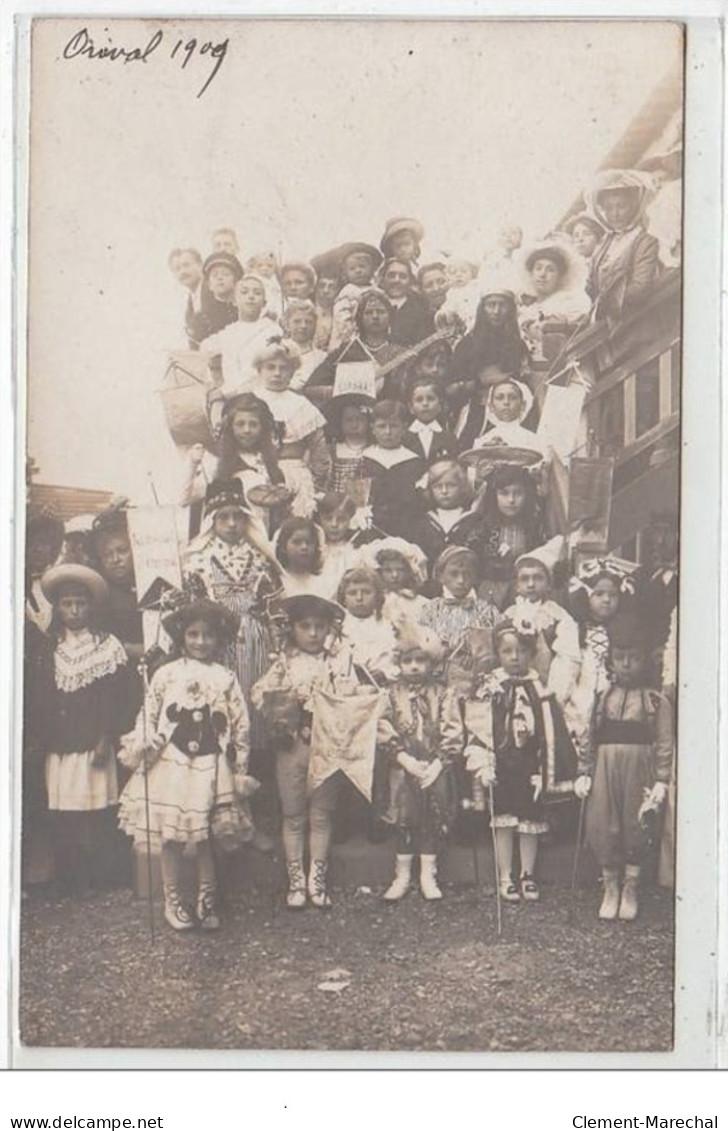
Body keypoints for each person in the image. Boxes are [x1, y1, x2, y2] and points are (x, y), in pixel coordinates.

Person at [118, 597, 251, 931]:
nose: (201, 642)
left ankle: (207, 899)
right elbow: (148, 712)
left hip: (211, 764)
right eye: (193, 634)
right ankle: (173, 901)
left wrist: (240, 769)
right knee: (172, 836)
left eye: (208, 635)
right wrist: (144, 738)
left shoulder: (225, 677)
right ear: (182, 637)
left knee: (206, 833)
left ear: (218, 640)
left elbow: (240, 724)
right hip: (173, 764)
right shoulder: (166, 674)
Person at [29, 564, 133, 894]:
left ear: (91, 606)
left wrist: (106, 738)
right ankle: (73, 878)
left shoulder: (106, 646)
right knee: (66, 812)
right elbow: (41, 699)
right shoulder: (49, 649)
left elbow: (117, 699)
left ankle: (102, 876)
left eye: (81, 603)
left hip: (94, 742)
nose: (74, 610)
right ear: (58, 608)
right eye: (67, 603)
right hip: (61, 745)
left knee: (96, 811)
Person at [251, 594, 356, 909]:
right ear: (293, 629)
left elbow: (350, 696)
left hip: (326, 745)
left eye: (319, 626)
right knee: (293, 814)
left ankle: (316, 878)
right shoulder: (284, 663)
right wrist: (285, 699)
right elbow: (259, 694)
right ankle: (295, 878)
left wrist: (331, 697)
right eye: (304, 626)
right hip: (293, 745)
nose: (312, 633)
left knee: (321, 813)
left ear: (328, 630)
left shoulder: (337, 663)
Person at [464, 620, 574, 903]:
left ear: (531, 653)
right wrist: (483, 765)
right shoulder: (490, 688)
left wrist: (544, 769)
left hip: (529, 766)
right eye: (507, 651)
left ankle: (527, 874)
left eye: (522, 651)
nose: (515, 658)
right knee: (503, 820)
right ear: (498, 654)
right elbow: (479, 729)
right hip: (502, 765)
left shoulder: (539, 690)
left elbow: (551, 732)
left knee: (529, 819)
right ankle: (505, 876)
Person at [574, 613, 673, 921]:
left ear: (644, 661)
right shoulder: (603, 697)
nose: (627, 664)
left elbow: (664, 741)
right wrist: (584, 771)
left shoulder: (655, 701)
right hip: (605, 766)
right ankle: (611, 886)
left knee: (635, 821)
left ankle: (630, 886)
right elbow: (589, 736)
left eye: (634, 658)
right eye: (620, 658)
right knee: (604, 820)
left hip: (639, 765)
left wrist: (661, 779)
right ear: (611, 662)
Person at [182, 479, 281, 744]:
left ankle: (259, 760)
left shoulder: (260, 556)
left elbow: (272, 604)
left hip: (258, 641)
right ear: (211, 521)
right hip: (219, 641)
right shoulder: (197, 560)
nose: (231, 523)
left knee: (257, 700)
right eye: (223, 517)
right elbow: (195, 607)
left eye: (237, 516)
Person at [377, 621, 463, 902]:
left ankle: (428, 873)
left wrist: (438, 763)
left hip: (434, 767)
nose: (414, 666)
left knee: (430, 820)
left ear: (432, 663)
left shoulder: (443, 693)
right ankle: (401, 875)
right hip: (402, 769)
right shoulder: (390, 693)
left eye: (420, 660)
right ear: (399, 663)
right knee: (405, 819)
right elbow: (382, 726)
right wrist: (403, 758)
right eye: (408, 660)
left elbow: (452, 730)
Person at [184, 392, 291, 537]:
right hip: (230, 540)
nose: (246, 430)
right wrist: (192, 463)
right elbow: (186, 499)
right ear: (230, 427)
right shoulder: (216, 461)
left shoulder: (270, 463)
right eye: (240, 424)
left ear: (263, 428)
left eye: (253, 424)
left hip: (264, 539)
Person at [564, 556, 638, 752]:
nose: (606, 600)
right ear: (585, 596)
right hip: (581, 697)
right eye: (599, 594)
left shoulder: (623, 630)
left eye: (612, 595)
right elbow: (567, 672)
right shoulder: (575, 630)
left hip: (613, 698)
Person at [252, 338, 330, 516]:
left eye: (284, 368)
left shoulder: (301, 405)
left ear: (293, 370)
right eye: (270, 367)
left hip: (294, 472)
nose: (277, 373)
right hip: (257, 472)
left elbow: (319, 449)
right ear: (259, 370)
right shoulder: (250, 401)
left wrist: (315, 481)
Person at [502, 537, 580, 708]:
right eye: (524, 579)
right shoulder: (509, 615)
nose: (531, 584)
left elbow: (568, 661)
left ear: (549, 583)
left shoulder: (559, 617)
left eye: (538, 578)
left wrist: (551, 700)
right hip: (512, 692)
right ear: (516, 585)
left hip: (545, 693)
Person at [585, 169, 661, 321]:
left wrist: (605, 304)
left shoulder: (645, 242)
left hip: (635, 321)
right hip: (606, 324)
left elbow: (640, 289)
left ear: (634, 207)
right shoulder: (604, 245)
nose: (615, 214)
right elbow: (591, 285)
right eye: (609, 208)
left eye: (621, 206)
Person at [310, 289, 406, 401]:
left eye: (380, 311)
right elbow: (310, 387)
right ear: (360, 318)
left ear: (390, 316)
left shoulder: (401, 351)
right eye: (369, 312)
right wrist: (335, 391)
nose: (375, 316)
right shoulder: (346, 352)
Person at [205, 275, 279, 417]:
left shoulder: (272, 330)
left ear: (264, 302)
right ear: (234, 300)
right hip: (229, 399)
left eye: (257, 293)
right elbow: (204, 351)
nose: (251, 297)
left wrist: (226, 391)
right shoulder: (228, 332)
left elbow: (261, 372)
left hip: (260, 397)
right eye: (244, 292)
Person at [474, 465, 546, 610]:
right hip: (489, 590)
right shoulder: (484, 527)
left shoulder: (533, 528)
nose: (511, 500)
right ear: (494, 496)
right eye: (504, 493)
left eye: (518, 493)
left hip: (525, 590)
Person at [361, 400, 426, 537]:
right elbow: (357, 499)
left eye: (394, 426)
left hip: (406, 528)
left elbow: (420, 502)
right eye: (381, 426)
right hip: (372, 527)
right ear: (372, 428)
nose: (388, 432)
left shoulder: (414, 461)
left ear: (404, 428)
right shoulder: (364, 459)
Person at [418, 546, 501, 654]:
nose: (461, 580)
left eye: (467, 574)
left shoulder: (487, 611)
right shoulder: (430, 610)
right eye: (454, 574)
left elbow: (498, 645)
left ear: (476, 578)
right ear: (440, 576)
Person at [448, 288, 529, 396]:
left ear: (510, 309)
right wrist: (480, 381)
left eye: (502, 305)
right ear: (483, 309)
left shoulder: (518, 345)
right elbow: (450, 390)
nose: (496, 311)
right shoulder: (467, 344)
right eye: (491, 305)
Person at [518, 240, 590, 361]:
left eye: (550, 270)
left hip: (564, 368)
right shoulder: (528, 309)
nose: (542, 274)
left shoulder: (570, 301)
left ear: (560, 276)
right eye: (538, 268)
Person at [90, 507, 144, 667]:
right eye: (107, 554)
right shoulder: (98, 592)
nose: (115, 559)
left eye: (122, 551)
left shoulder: (146, 583)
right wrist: (132, 649)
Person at [412, 459, 487, 568]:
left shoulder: (473, 519)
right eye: (438, 486)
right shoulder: (425, 522)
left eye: (451, 485)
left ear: (462, 487)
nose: (444, 491)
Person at [455, 372, 542, 455]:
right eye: (500, 398)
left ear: (523, 405)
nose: (506, 402)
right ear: (491, 407)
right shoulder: (481, 442)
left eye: (513, 397)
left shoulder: (534, 440)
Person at [338, 566, 398, 685]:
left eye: (366, 592)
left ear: (377, 597)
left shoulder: (388, 627)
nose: (359, 598)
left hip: (382, 687)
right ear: (343, 599)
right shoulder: (337, 628)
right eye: (352, 593)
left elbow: (397, 663)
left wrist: (385, 674)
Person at [361, 536, 430, 626]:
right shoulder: (371, 603)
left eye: (400, 570)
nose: (394, 575)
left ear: (408, 571)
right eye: (388, 570)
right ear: (379, 571)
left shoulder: (422, 604)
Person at [329, 243, 384, 350]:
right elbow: (341, 317)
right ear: (346, 273)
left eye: (362, 266)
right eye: (352, 268)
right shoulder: (347, 292)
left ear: (372, 269)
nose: (358, 271)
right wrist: (351, 337)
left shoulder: (378, 291)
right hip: (350, 338)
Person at [324, 393, 374, 494]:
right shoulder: (331, 450)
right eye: (349, 420)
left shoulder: (374, 450)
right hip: (336, 503)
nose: (354, 425)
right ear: (340, 422)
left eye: (360, 419)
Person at [403, 376, 459, 464]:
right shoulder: (403, 438)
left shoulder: (449, 438)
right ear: (410, 408)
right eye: (419, 400)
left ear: (440, 405)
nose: (425, 404)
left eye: (430, 399)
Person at [25, 510, 64, 634]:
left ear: (53, 547)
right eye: (32, 543)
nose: (37, 549)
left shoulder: (59, 582)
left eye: (43, 543)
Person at [378, 258, 432, 347]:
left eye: (403, 276)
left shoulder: (421, 311)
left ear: (410, 281)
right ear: (383, 279)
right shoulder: (372, 305)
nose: (396, 280)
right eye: (391, 275)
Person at [193, 251, 244, 343]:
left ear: (235, 282)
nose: (220, 278)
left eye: (226, 274)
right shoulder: (202, 318)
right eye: (214, 275)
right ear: (209, 285)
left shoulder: (245, 312)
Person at [316, 493, 361, 598]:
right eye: (328, 518)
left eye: (341, 519)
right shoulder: (315, 549)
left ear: (351, 520)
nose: (334, 524)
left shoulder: (355, 553)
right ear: (320, 519)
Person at [274, 517, 328, 598]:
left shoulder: (323, 582)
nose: (304, 547)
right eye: (297, 542)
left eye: (309, 542)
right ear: (283, 547)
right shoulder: (277, 583)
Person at [281, 299, 327, 392]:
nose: (303, 326)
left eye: (308, 322)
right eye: (297, 321)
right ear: (287, 324)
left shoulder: (322, 358)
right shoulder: (276, 350)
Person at [168, 247, 209, 349]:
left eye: (186, 265)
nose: (182, 272)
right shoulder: (190, 304)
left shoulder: (213, 290)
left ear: (200, 265)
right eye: (177, 269)